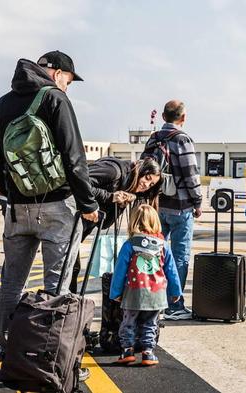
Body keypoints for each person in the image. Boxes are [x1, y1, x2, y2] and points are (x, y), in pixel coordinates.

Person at [0, 51, 99, 352]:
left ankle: (7, 349)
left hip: (16, 210)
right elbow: (75, 159)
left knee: (11, 282)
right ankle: (48, 356)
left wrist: (13, 194)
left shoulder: (2, 104)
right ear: (58, 73)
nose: (67, 87)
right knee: (56, 286)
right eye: (69, 81)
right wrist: (88, 205)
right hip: (58, 206)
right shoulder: (55, 99)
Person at [143, 100, 202, 321]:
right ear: (183, 117)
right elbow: (190, 174)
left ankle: (149, 299)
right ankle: (174, 305)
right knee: (179, 257)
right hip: (180, 207)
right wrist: (197, 202)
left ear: (164, 117)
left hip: (157, 206)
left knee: (153, 253)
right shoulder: (182, 139)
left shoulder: (153, 139)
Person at [69, 157, 163, 293]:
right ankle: (60, 307)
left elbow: (106, 223)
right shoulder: (113, 171)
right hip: (66, 219)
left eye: (151, 185)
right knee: (68, 268)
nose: (146, 185)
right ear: (140, 169)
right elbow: (78, 183)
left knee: (72, 268)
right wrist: (110, 196)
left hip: (78, 229)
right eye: (147, 178)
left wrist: (122, 203)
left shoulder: (127, 185)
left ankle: (65, 307)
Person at [110, 204, 182, 366]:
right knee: (150, 323)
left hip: (133, 291)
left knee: (128, 322)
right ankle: (148, 352)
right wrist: (176, 291)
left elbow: (120, 270)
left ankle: (127, 351)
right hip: (156, 293)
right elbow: (171, 270)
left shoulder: (129, 245)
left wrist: (116, 292)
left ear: (133, 221)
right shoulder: (163, 245)